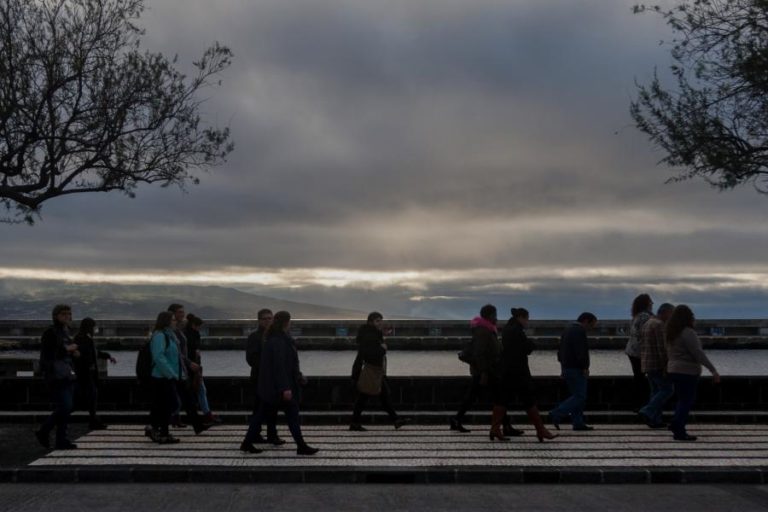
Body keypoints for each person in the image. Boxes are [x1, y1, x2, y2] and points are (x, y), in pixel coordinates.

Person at [240, 311, 318, 455]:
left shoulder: (274, 338)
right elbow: (279, 366)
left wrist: (297, 376)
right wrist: (285, 388)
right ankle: (301, 446)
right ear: (286, 322)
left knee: (261, 415)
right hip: (278, 387)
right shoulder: (278, 341)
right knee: (291, 415)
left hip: (271, 387)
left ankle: (247, 443)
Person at [450, 304, 519, 438]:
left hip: (486, 370)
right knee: (499, 398)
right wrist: (484, 372)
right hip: (486, 371)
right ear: (489, 316)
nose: (496, 318)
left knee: (479, 397)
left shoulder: (487, 329)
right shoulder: (483, 331)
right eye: (495, 315)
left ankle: (457, 419)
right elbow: (480, 353)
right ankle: (505, 426)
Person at [501, 307, 558, 442]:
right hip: (518, 371)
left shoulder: (508, 329)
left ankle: (495, 428)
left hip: (508, 370)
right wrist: (531, 344)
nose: (527, 322)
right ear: (520, 317)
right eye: (527, 319)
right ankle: (540, 430)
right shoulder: (516, 330)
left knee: (502, 401)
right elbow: (525, 347)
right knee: (528, 400)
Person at [665, 305, 720, 441]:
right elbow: (698, 353)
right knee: (686, 401)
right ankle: (679, 430)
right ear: (688, 318)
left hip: (673, 369)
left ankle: (676, 424)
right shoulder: (688, 332)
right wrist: (713, 370)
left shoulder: (671, 333)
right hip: (687, 371)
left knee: (682, 399)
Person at [349, 312, 411, 431]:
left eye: (381, 320)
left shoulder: (371, 334)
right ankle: (354, 423)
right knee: (365, 397)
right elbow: (370, 354)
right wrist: (382, 349)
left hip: (375, 371)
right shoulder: (370, 336)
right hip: (371, 371)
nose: (380, 323)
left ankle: (395, 420)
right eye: (377, 321)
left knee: (381, 396)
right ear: (370, 322)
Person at [35, 304, 79, 450]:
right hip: (56, 375)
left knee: (66, 407)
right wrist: (68, 349)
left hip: (67, 374)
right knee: (66, 406)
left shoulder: (65, 331)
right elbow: (49, 352)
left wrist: (73, 352)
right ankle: (44, 431)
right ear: (56, 316)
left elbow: (65, 351)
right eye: (63, 314)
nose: (67, 316)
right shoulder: (50, 332)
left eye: (69, 313)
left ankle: (61, 439)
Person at [165, 304, 210, 435]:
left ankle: (197, 424)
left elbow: (180, 351)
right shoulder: (168, 332)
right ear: (171, 314)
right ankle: (159, 426)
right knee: (176, 399)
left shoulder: (180, 329)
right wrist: (189, 363)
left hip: (182, 368)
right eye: (179, 312)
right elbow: (173, 353)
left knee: (187, 397)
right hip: (175, 369)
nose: (182, 314)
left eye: (182, 312)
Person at [549, 312, 598, 431]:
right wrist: (585, 367)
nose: (591, 328)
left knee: (576, 396)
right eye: (592, 325)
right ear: (586, 321)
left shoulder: (567, 330)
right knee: (580, 396)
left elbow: (560, 352)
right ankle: (557, 413)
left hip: (567, 368)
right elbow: (581, 351)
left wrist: (562, 367)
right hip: (576, 369)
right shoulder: (579, 331)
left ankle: (578, 422)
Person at [244, 308, 283, 445]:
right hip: (259, 379)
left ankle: (272, 435)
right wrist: (267, 368)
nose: (268, 321)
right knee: (259, 408)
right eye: (265, 319)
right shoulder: (254, 337)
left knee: (273, 409)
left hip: (273, 379)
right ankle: (255, 435)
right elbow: (251, 359)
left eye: (270, 318)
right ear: (259, 320)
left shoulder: (275, 336)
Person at [72, 317, 116, 430]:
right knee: (90, 396)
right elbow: (83, 354)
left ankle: (93, 420)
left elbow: (94, 353)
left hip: (88, 372)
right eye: (93, 327)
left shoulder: (85, 337)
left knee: (91, 396)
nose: (95, 329)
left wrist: (108, 356)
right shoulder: (82, 338)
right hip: (85, 372)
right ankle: (93, 421)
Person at [146, 311, 182, 444]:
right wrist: (170, 374)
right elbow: (158, 357)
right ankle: (157, 429)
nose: (175, 321)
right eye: (173, 320)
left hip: (167, 375)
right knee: (170, 404)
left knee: (166, 405)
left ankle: (161, 431)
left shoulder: (169, 335)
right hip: (161, 377)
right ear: (166, 322)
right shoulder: (160, 336)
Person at [638, 303, 675, 428]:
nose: (672, 317)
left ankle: (655, 420)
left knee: (655, 392)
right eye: (671, 314)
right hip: (657, 364)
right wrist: (666, 365)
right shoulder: (659, 325)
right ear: (666, 312)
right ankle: (647, 411)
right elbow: (662, 348)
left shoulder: (647, 323)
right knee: (667, 390)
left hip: (647, 363)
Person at [184, 313, 221, 425]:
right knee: (200, 390)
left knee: (197, 391)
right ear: (194, 325)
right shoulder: (191, 335)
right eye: (199, 326)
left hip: (193, 366)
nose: (199, 328)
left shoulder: (187, 333)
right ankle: (206, 415)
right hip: (192, 366)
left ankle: (206, 414)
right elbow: (193, 351)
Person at [626, 294, 653, 410]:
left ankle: (637, 404)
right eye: (650, 302)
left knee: (638, 378)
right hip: (640, 352)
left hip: (632, 351)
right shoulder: (645, 317)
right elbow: (645, 335)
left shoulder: (636, 316)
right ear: (646, 304)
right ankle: (640, 404)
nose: (652, 304)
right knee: (642, 380)